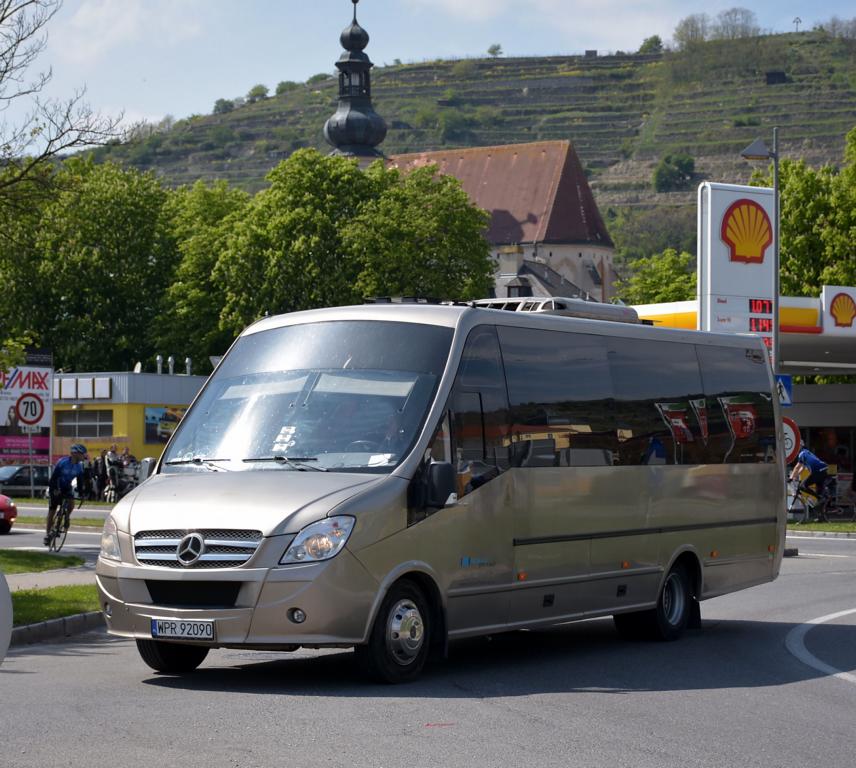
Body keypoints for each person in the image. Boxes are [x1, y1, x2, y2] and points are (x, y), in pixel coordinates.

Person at [44, 443, 87, 545]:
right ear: (75, 454)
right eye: (82, 454)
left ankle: (66, 516)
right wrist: (54, 489)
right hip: (56, 486)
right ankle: (47, 534)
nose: (83, 456)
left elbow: (80, 481)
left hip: (66, 487)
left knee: (71, 504)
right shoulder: (62, 462)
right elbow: (53, 478)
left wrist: (82, 494)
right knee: (52, 511)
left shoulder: (80, 466)